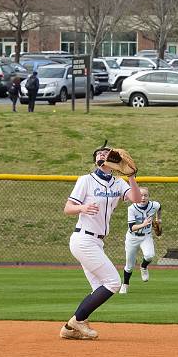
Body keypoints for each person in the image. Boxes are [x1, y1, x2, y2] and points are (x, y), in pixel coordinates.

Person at [60, 142, 142, 340]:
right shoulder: (86, 180)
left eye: (107, 152)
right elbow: (68, 208)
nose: (103, 155)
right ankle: (76, 322)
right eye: (100, 153)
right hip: (83, 238)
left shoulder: (118, 183)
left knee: (99, 288)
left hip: (97, 242)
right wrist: (82, 208)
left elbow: (137, 199)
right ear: (97, 160)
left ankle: (72, 328)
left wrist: (131, 177)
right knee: (113, 282)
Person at [120, 187, 161, 294]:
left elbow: (159, 207)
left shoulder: (153, 205)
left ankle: (143, 267)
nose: (143, 198)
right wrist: (143, 224)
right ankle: (125, 284)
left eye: (145, 195)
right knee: (129, 265)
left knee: (149, 255)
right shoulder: (132, 208)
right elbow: (131, 227)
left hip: (146, 236)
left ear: (148, 196)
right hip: (132, 237)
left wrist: (158, 220)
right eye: (140, 195)